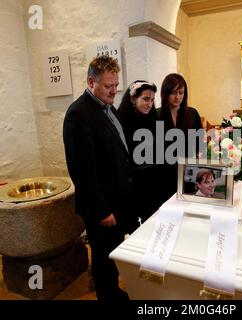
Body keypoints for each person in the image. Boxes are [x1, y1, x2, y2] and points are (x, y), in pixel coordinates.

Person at [63, 55, 136, 301]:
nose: (114, 91)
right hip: (101, 206)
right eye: (108, 86)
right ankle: (108, 296)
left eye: (116, 85)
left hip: (117, 198)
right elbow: (82, 171)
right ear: (91, 81)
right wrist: (101, 210)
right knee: (104, 259)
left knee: (113, 253)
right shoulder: (78, 114)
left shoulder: (107, 106)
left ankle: (114, 291)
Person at [117, 80, 160, 222]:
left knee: (152, 220)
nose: (149, 104)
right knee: (133, 225)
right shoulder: (120, 121)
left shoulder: (154, 118)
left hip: (152, 180)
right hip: (132, 183)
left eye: (152, 100)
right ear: (132, 98)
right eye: (145, 99)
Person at [157, 73, 203, 203]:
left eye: (181, 92)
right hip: (165, 174)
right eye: (173, 93)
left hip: (188, 171)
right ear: (165, 93)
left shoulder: (192, 114)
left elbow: (200, 145)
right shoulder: (156, 115)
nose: (177, 97)